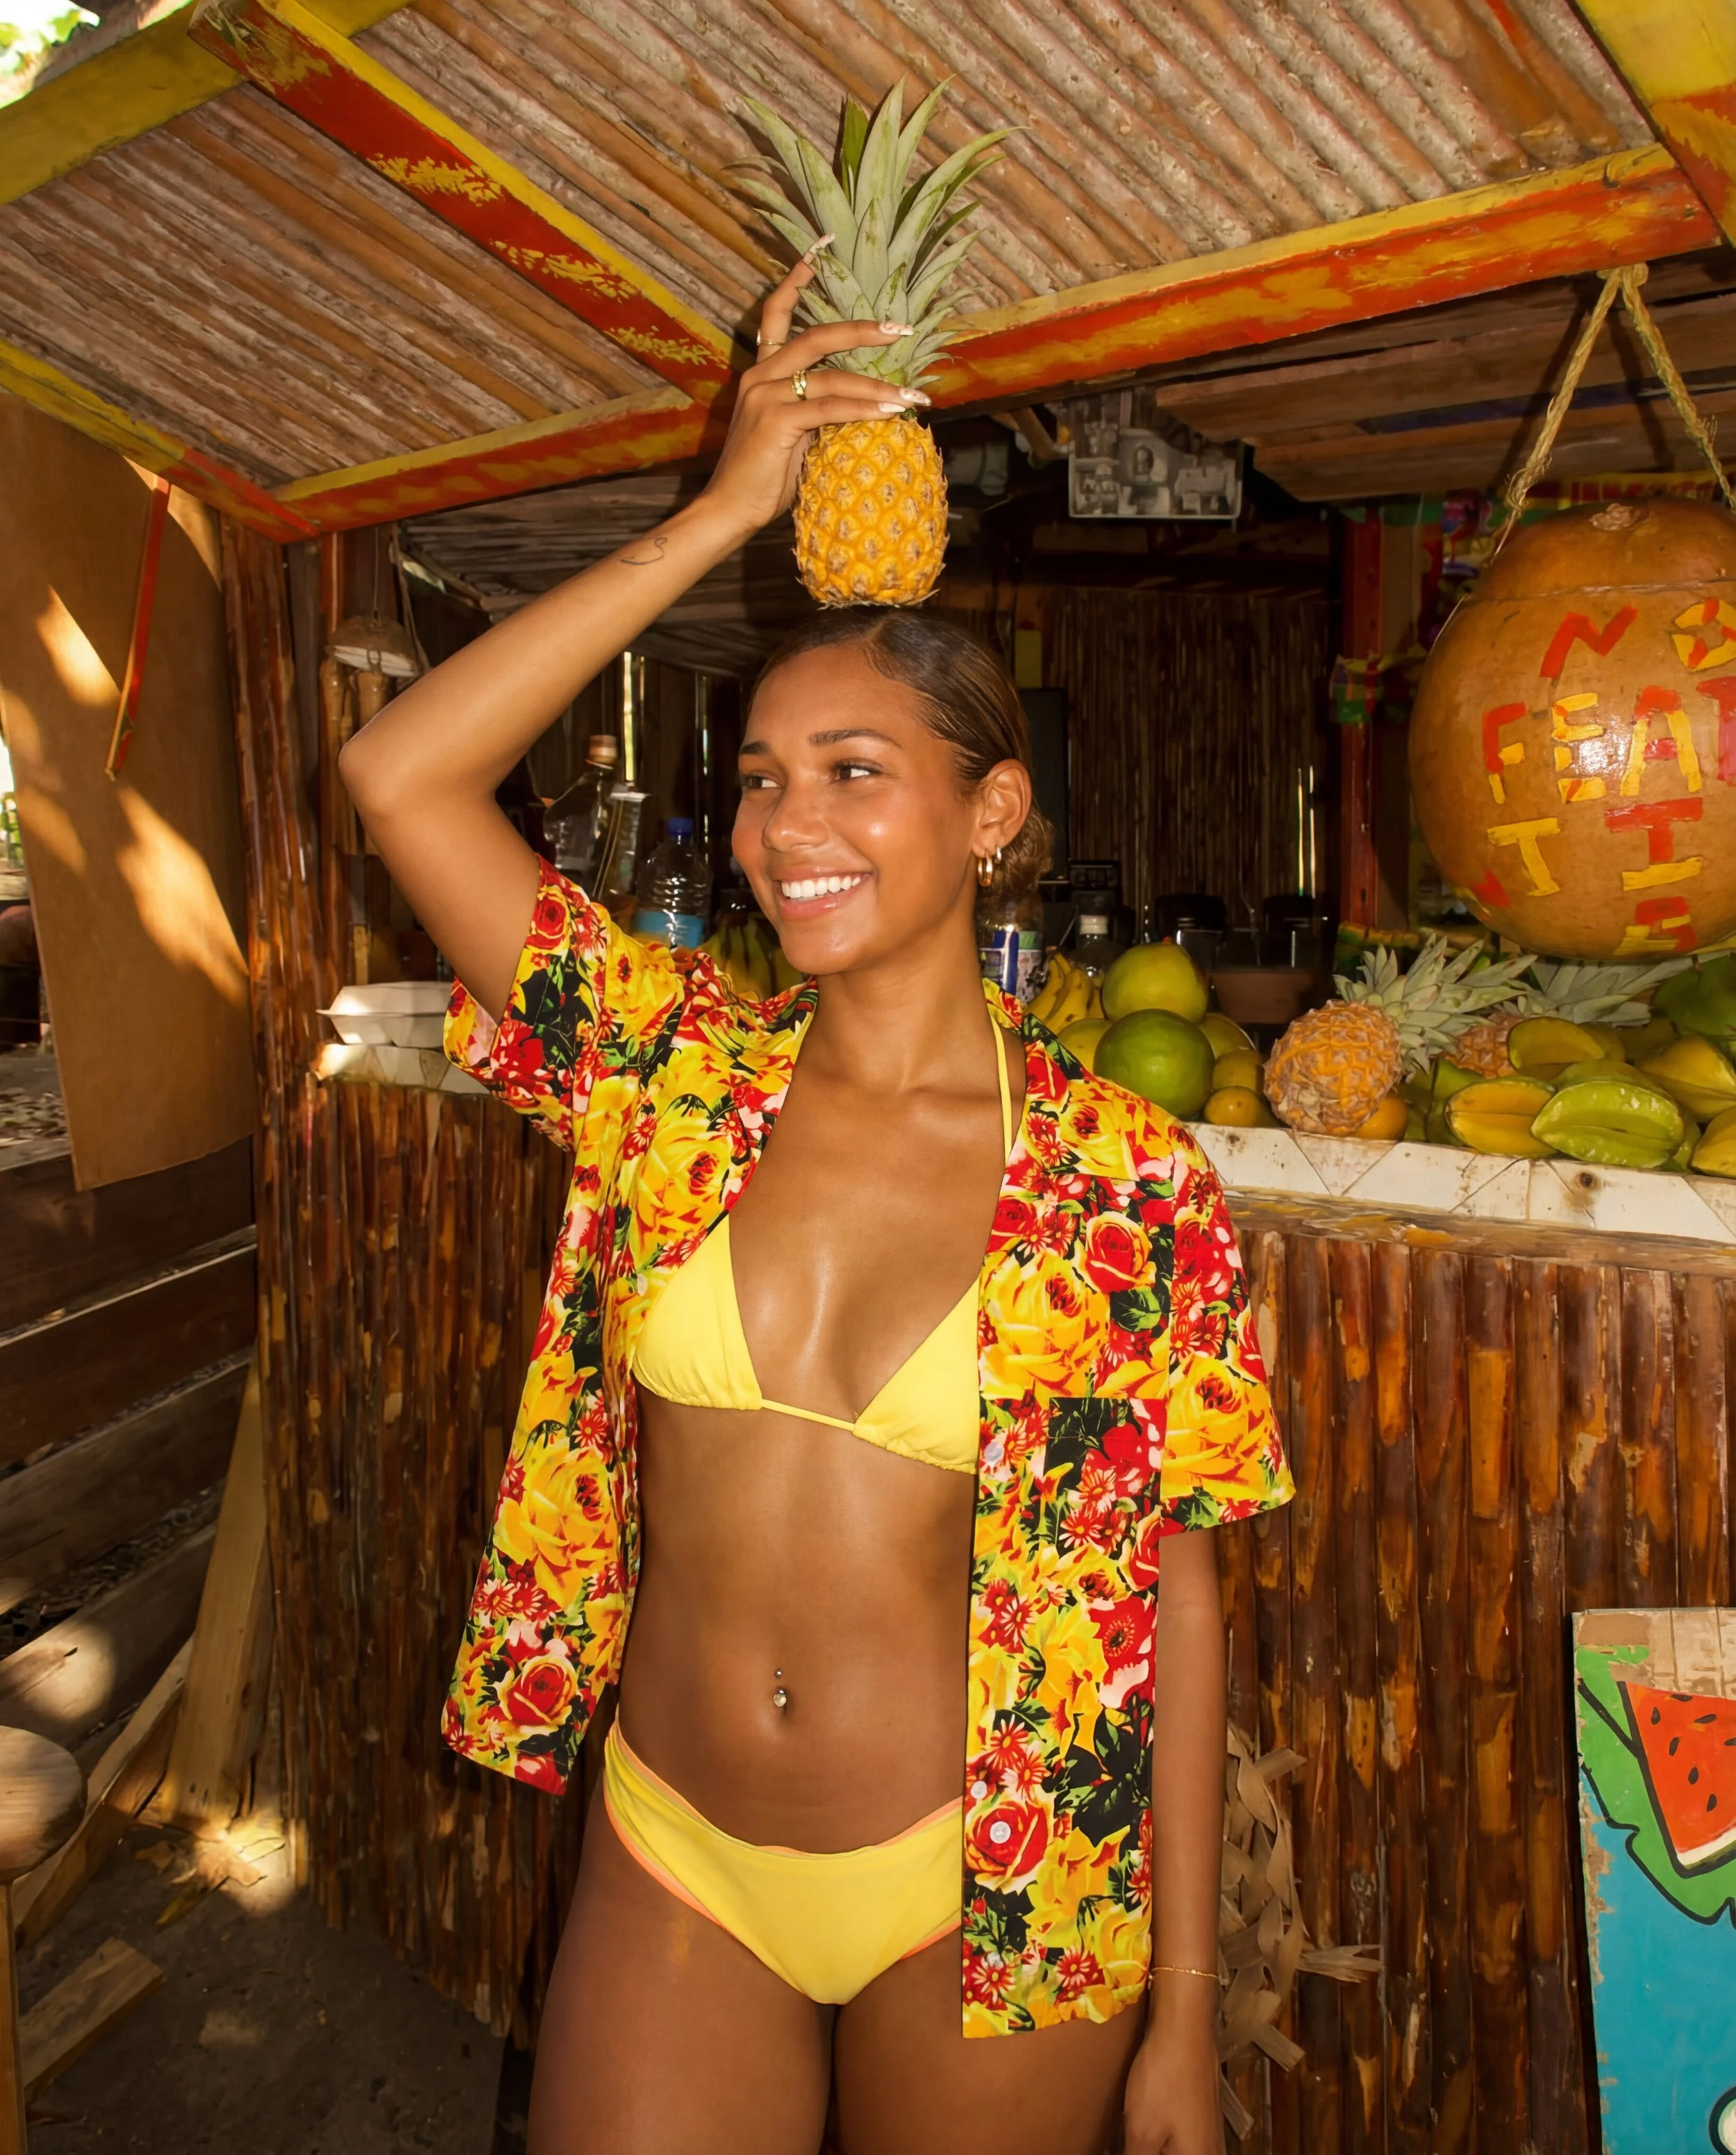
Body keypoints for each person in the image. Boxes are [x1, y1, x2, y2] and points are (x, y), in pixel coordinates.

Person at [341, 260, 1293, 2155]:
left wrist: (1181, 2014)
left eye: (856, 774)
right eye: (764, 778)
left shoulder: (1118, 1181)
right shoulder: (669, 1072)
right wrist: (715, 513)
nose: (791, 828)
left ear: (992, 813)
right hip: (676, 1846)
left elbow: (1173, 1589)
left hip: (989, 1877)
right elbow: (400, 770)